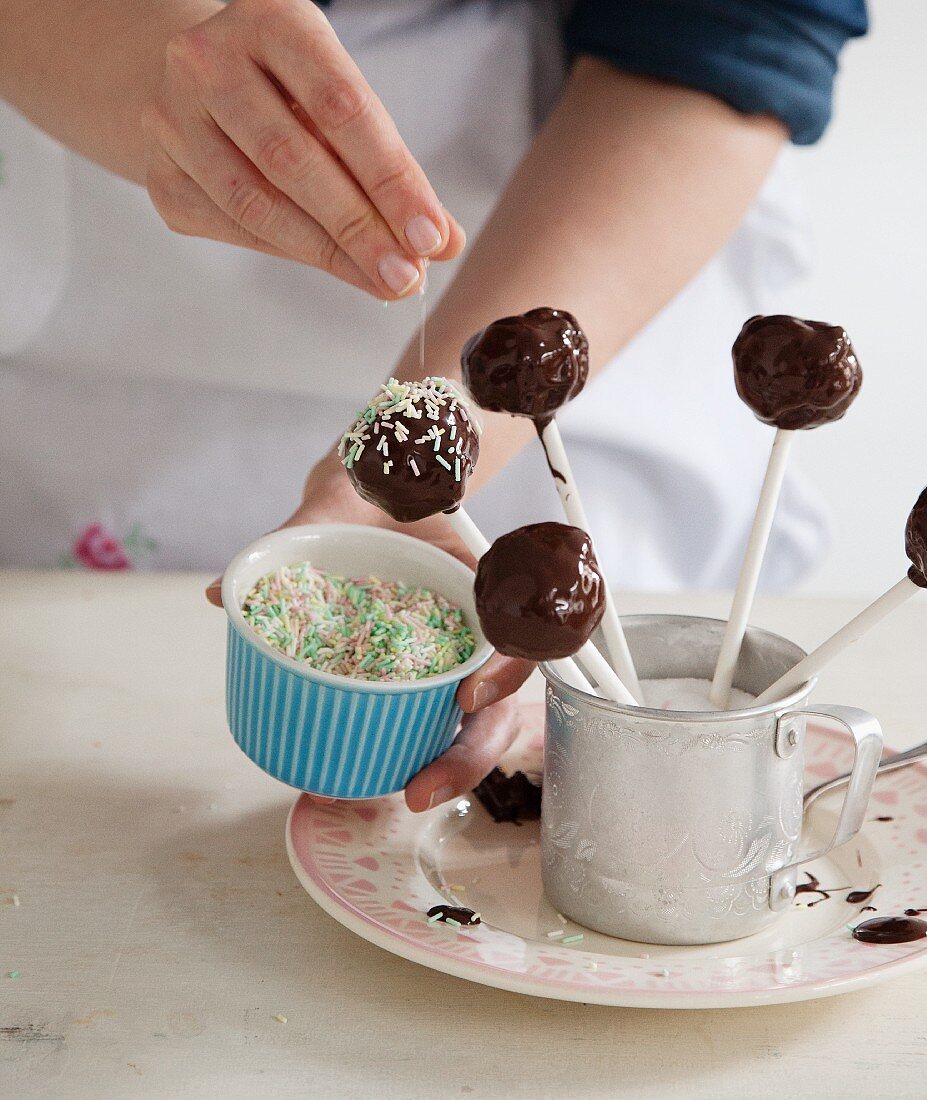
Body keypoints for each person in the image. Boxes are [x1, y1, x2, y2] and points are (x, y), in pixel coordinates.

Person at [0, 0, 867, 809]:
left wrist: (444, 427)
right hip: (107, 241)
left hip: (581, 221)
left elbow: (734, 28)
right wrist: (146, 73)